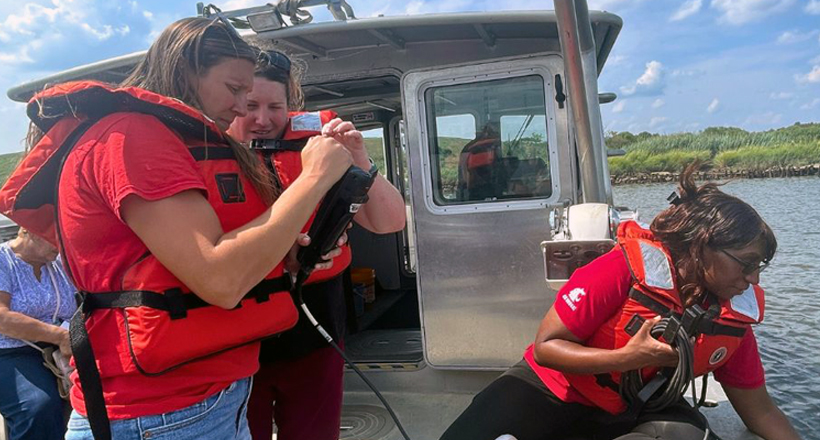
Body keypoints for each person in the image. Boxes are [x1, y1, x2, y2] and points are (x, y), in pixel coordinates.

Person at [0, 17, 354, 440]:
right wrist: (316, 177)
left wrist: (286, 254)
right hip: (164, 416)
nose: (243, 107)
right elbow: (220, 278)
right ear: (186, 70)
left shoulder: (160, 136)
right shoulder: (133, 137)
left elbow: (178, 260)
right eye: (235, 89)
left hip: (200, 400)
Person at [441, 163, 802, 440]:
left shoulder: (731, 316)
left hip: (635, 408)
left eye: (760, 267)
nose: (754, 279)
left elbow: (761, 412)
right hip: (553, 389)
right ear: (703, 245)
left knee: (686, 433)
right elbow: (547, 348)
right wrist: (628, 358)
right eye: (747, 264)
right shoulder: (621, 268)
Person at [227, 49, 406, 440]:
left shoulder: (321, 147)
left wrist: (357, 154)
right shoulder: (209, 157)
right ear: (232, 102)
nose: (262, 119)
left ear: (292, 105)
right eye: (250, 105)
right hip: (238, 339)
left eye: (275, 106)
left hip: (317, 326)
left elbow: (390, 221)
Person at [0, 228, 76, 440]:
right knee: (37, 407)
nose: (60, 245)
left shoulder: (59, 264)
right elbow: (2, 318)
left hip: (62, 349)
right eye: (55, 237)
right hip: (9, 352)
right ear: (28, 231)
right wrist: (60, 336)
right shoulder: (2, 260)